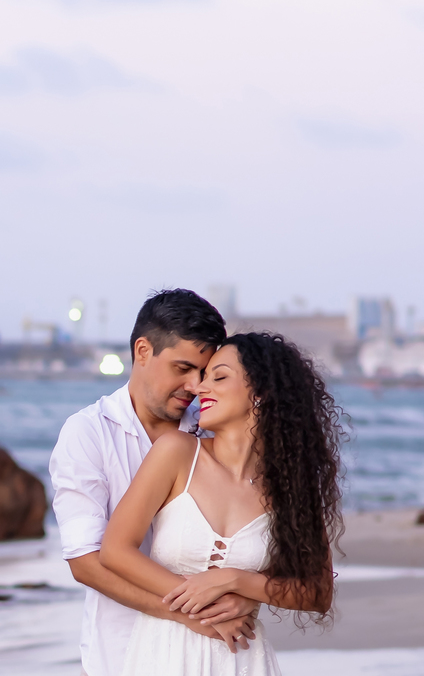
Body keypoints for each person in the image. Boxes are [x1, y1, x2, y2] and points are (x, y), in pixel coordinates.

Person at [100, 332, 343, 675]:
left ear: (261, 393)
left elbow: (317, 592)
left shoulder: (291, 486)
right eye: (204, 377)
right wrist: (200, 606)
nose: (200, 389)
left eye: (219, 377)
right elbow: (115, 550)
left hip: (242, 658)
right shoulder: (177, 452)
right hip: (163, 656)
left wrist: (235, 580)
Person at [50, 289, 258, 676]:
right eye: (182, 368)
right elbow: (86, 562)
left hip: (222, 654)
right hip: (121, 653)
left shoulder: (213, 429)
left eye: (205, 372)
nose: (195, 386)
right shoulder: (88, 433)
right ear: (142, 351)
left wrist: (246, 592)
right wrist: (198, 614)